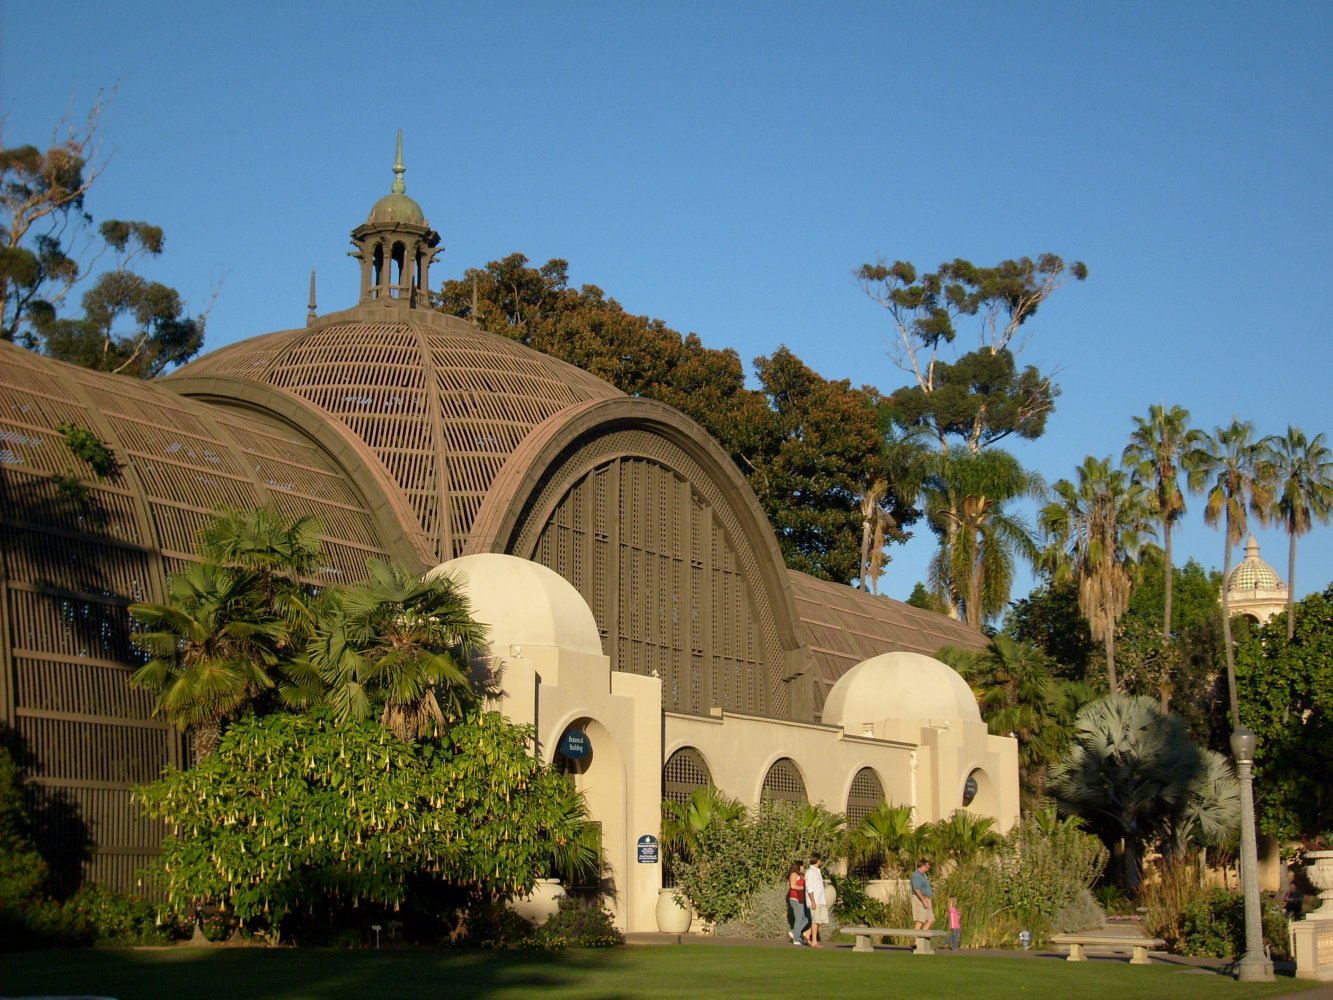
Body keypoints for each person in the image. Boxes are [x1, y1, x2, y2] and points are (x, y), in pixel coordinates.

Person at [804, 854, 827, 948]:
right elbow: (809, 888)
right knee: (815, 920)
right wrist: (812, 901)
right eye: (821, 860)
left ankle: (807, 933)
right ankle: (814, 941)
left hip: (821, 900)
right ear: (817, 860)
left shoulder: (817, 871)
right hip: (815, 900)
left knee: (822, 920)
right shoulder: (810, 872)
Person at [787, 859, 810, 945]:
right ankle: (796, 939)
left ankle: (794, 932)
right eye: (802, 866)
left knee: (805, 919)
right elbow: (793, 885)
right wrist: (803, 888)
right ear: (798, 866)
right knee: (799, 918)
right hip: (795, 898)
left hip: (801, 899)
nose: (804, 867)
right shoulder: (794, 874)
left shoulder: (801, 875)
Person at [911, 858, 934, 930]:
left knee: (930, 920)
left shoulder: (923, 875)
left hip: (927, 899)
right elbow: (916, 889)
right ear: (922, 866)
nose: (927, 870)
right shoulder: (916, 875)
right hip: (920, 900)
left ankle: (922, 938)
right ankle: (915, 940)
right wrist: (923, 900)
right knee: (920, 920)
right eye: (927, 867)